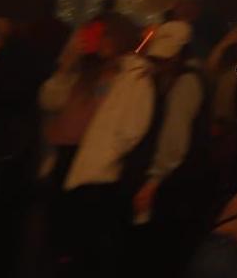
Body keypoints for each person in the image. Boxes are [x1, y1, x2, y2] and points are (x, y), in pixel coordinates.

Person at [41, 14, 155, 277]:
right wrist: (65, 67)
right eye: (95, 34)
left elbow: (133, 128)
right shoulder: (84, 70)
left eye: (104, 34)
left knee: (81, 246)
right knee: (56, 239)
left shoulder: (133, 76)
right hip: (64, 159)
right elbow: (49, 100)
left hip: (95, 171)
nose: (98, 40)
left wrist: (107, 153)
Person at [132, 19, 213, 277]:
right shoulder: (196, 75)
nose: (161, 63)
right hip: (188, 179)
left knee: (161, 252)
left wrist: (154, 179)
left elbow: (174, 138)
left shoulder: (184, 84)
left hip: (177, 181)